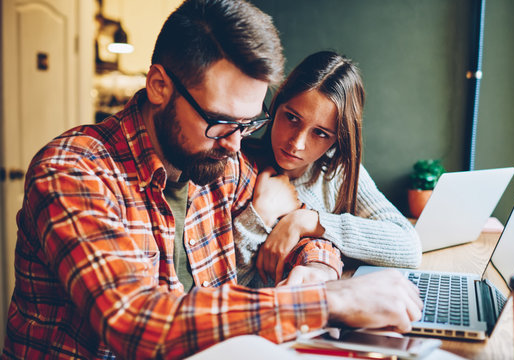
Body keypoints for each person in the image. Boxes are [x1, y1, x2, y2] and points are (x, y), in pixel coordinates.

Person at [1, 1, 422, 359]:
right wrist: (329, 299)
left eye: (250, 123)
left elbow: (310, 240)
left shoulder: (220, 159)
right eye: (221, 121)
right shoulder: (73, 172)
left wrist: (312, 266)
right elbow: (134, 321)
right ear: (159, 85)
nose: (237, 145)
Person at [234, 51, 422, 286]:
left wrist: (307, 221)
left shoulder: (335, 170)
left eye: (320, 133)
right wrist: (258, 217)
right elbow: (214, 286)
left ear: (337, 140)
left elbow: (408, 246)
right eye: (292, 118)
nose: (297, 143)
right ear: (277, 103)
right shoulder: (236, 166)